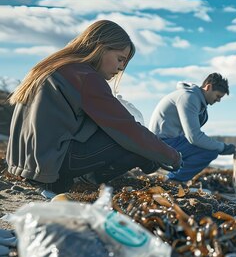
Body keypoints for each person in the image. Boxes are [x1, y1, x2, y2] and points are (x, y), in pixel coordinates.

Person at [6, 20, 181, 194]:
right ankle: (89, 180)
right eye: (120, 59)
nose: (121, 68)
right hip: (52, 170)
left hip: (29, 166)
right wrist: (171, 156)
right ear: (100, 47)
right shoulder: (85, 76)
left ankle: (88, 178)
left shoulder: (56, 67)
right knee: (138, 145)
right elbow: (126, 128)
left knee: (140, 145)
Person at [149, 73, 236, 182]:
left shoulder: (195, 99)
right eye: (218, 96)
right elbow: (194, 137)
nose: (218, 100)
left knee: (208, 148)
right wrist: (222, 147)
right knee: (209, 151)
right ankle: (173, 180)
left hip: (169, 141)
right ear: (208, 87)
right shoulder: (188, 97)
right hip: (161, 142)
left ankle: (174, 178)